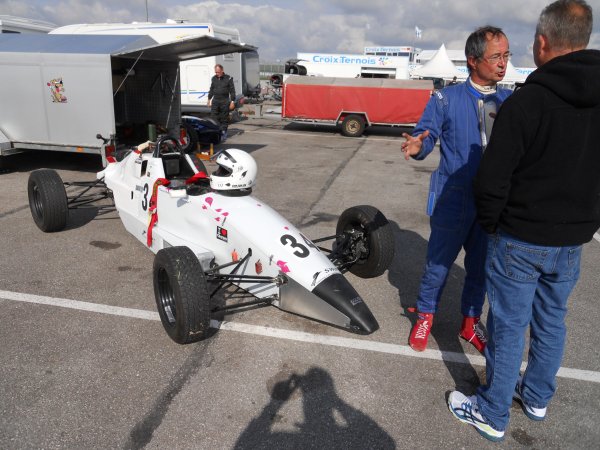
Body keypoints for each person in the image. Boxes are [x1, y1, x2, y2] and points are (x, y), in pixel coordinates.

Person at [447, 0, 599, 442]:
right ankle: (535, 398)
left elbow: (491, 179)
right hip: (572, 238)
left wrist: (493, 225)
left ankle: (493, 411)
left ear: (543, 42)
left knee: (509, 324)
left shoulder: (528, 102)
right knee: (553, 320)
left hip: (521, 235)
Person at [401, 26, 512, 353]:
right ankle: (425, 316)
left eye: (506, 55)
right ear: (472, 60)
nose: (502, 63)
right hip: (452, 199)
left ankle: (470, 322)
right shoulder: (445, 99)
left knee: (480, 268)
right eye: (495, 57)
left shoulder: (508, 101)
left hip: (491, 205)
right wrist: (417, 145)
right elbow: (426, 136)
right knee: (437, 265)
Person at [208, 64, 236, 140]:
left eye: (218, 72)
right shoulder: (214, 78)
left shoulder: (228, 78)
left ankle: (223, 132)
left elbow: (232, 91)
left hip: (225, 100)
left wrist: (232, 101)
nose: (217, 74)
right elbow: (211, 89)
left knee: (224, 117)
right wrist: (209, 99)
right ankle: (215, 132)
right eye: (216, 72)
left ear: (222, 71)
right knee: (213, 117)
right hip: (215, 100)